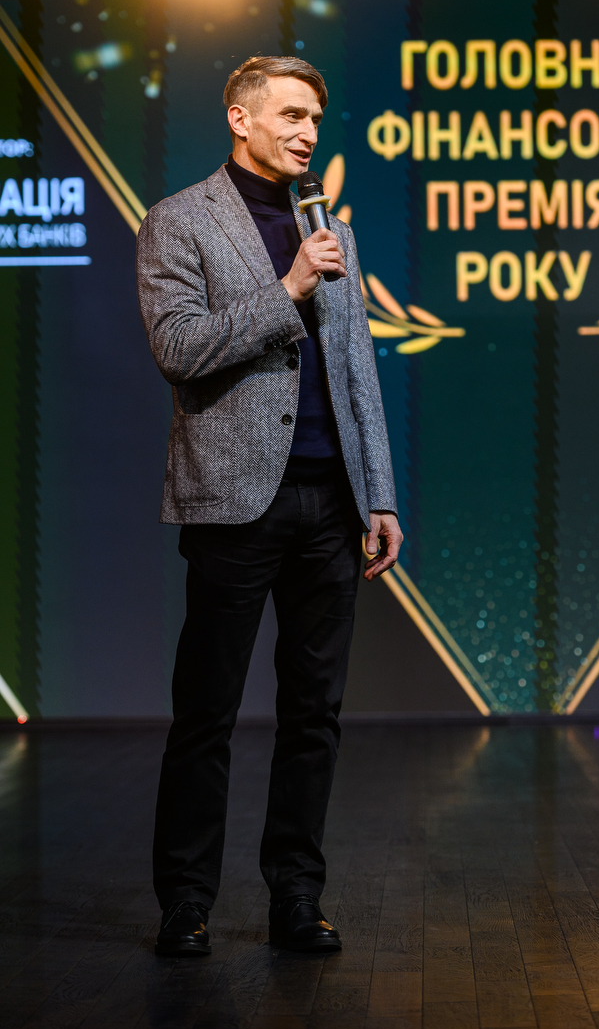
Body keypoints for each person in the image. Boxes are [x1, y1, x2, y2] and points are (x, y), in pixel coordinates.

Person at [136, 55, 403, 956]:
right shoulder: (179, 220)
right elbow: (179, 349)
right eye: (291, 115)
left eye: (316, 120)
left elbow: (356, 367)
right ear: (240, 118)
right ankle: (186, 902)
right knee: (206, 713)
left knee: (314, 715)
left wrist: (379, 492)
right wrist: (288, 288)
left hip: (331, 504)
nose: (308, 134)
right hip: (233, 503)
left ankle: (297, 896)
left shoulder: (329, 228)